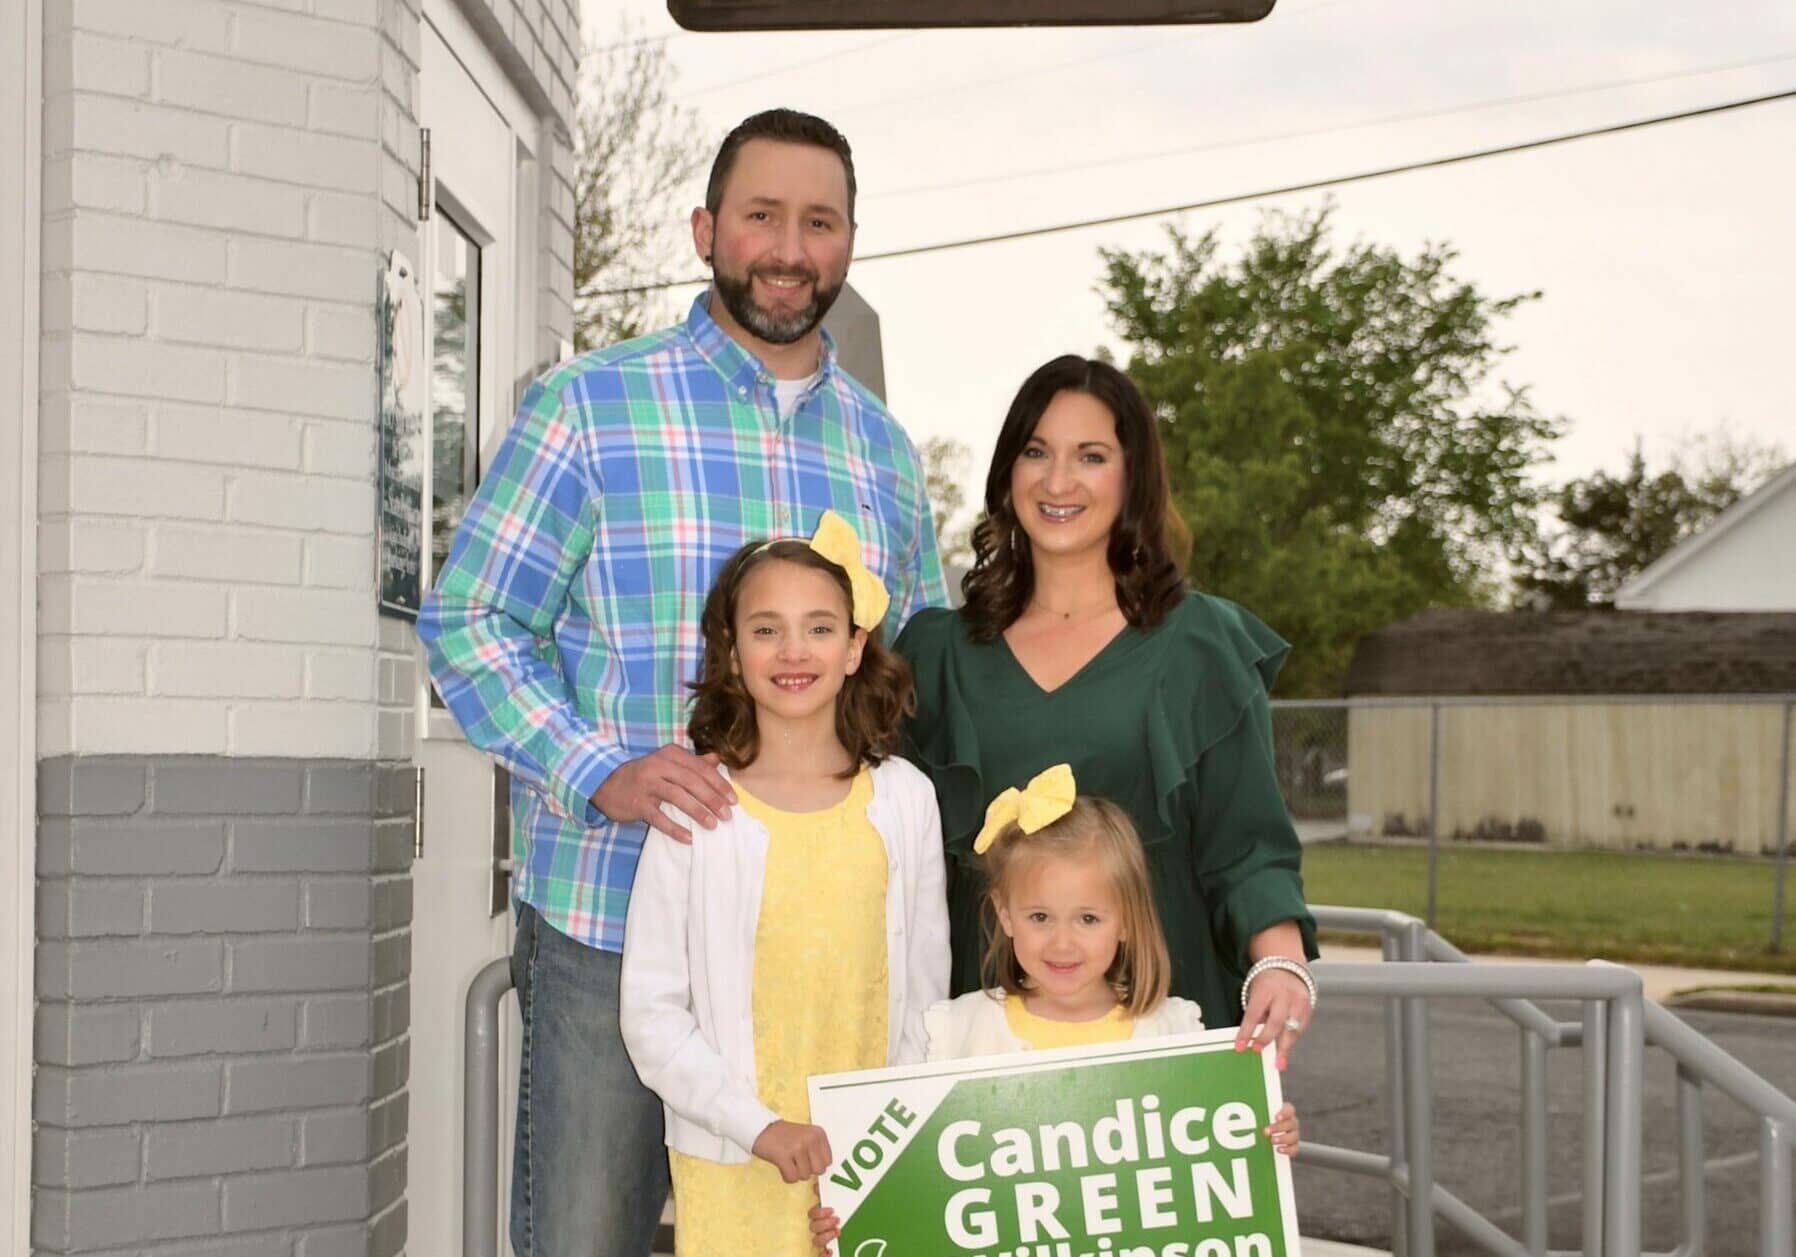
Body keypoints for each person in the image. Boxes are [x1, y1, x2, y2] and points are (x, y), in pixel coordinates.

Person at [416, 108, 946, 1257]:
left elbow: (913, 675)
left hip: (831, 953)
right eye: (761, 216)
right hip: (612, 920)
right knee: (584, 1234)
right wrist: (595, 769)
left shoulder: (885, 458)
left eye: (819, 222)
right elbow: (469, 621)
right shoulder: (587, 407)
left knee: (833, 1234)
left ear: (849, 242)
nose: (789, 248)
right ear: (706, 227)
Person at [895, 353, 1320, 1067]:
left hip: (1164, 1041)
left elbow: (1249, 847)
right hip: (987, 1054)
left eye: (1090, 456)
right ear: (1007, 473)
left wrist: (1281, 962)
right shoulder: (938, 654)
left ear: (1132, 478)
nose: (1058, 481)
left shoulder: (1198, 644)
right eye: (1037, 452)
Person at [620, 512, 950, 1257]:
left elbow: (925, 998)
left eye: (819, 627)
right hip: (734, 1161)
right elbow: (652, 1013)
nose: (794, 650)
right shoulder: (697, 807)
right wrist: (757, 1124)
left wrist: (887, 1134)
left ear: (856, 645)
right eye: (766, 629)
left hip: (869, 1159)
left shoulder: (904, 799)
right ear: (732, 653)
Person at [808, 765, 1299, 1254]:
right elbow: (901, 1184)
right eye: (1039, 916)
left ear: (1126, 920)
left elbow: (1220, 1179)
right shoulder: (951, 1035)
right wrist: (853, 1214)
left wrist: (1265, 1138)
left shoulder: (1172, 1032)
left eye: (1088, 918)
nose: (1062, 943)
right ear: (1005, 914)